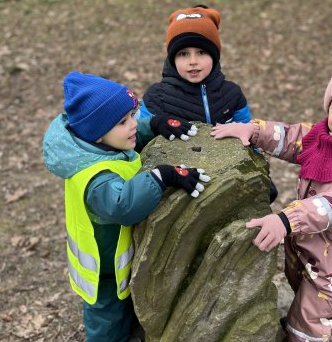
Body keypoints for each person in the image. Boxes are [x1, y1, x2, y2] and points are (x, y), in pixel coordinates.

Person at [211, 55, 332, 341]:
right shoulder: (323, 135)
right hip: (305, 243)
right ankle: (296, 321)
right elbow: (290, 137)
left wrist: (286, 220)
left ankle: (303, 334)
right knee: (299, 287)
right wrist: (253, 130)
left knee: (311, 317)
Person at [43, 71, 210, 342]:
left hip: (119, 257)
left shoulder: (99, 145)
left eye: (133, 115)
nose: (133, 124)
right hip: (103, 271)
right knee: (107, 325)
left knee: (130, 312)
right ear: (97, 134)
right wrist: (162, 176)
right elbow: (123, 205)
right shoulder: (96, 179)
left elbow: (124, 148)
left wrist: (155, 124)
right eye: (124, 121)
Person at [140, 4, 278, 202]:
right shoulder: (156, 96)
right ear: (171, 59)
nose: (193, 61)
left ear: (214, 55)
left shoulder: (232, 94)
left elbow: (248, 137)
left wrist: (260, 171)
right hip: (176, 187)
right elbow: (137, 140)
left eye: (202, 52)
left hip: (226, 181)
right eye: (183, 54)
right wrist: (156, 125)